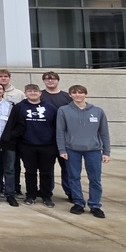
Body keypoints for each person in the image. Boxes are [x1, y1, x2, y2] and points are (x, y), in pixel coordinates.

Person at [57, 85, 111, 218]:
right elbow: (60, 131)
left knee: (95, 179)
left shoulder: (98, 111)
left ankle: (95, 205)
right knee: (74, 177)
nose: (77, 95)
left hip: (93, 150)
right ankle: (78, 203)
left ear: (85, 94)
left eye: (80, 93)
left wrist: (106, 152)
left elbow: (104, 132)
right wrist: (62, 149)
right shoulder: (63, 110)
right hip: (72, 149)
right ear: (70, 95)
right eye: (74, 93)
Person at [16, 83, 58, 207]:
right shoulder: (19, 107)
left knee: (47, 172)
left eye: (35, 91)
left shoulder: (51, 108)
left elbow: (56, 126)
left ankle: (46, 196)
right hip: (27, 145)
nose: (32, 93)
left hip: (47, 145)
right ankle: (31, 195)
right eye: (29, 91)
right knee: (30, 172)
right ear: (25, 93)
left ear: (40, 93)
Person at [41, 71, 73, 201]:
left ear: (58, 80)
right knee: (47, 168)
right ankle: (47, 192)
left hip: (65, 139)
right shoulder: (40, 95)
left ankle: (70, 192)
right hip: (46, 138)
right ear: (44, 81)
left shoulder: (66, 97)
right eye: (47, 79)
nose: (50, 81)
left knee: (67, 168)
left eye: (53, 79)